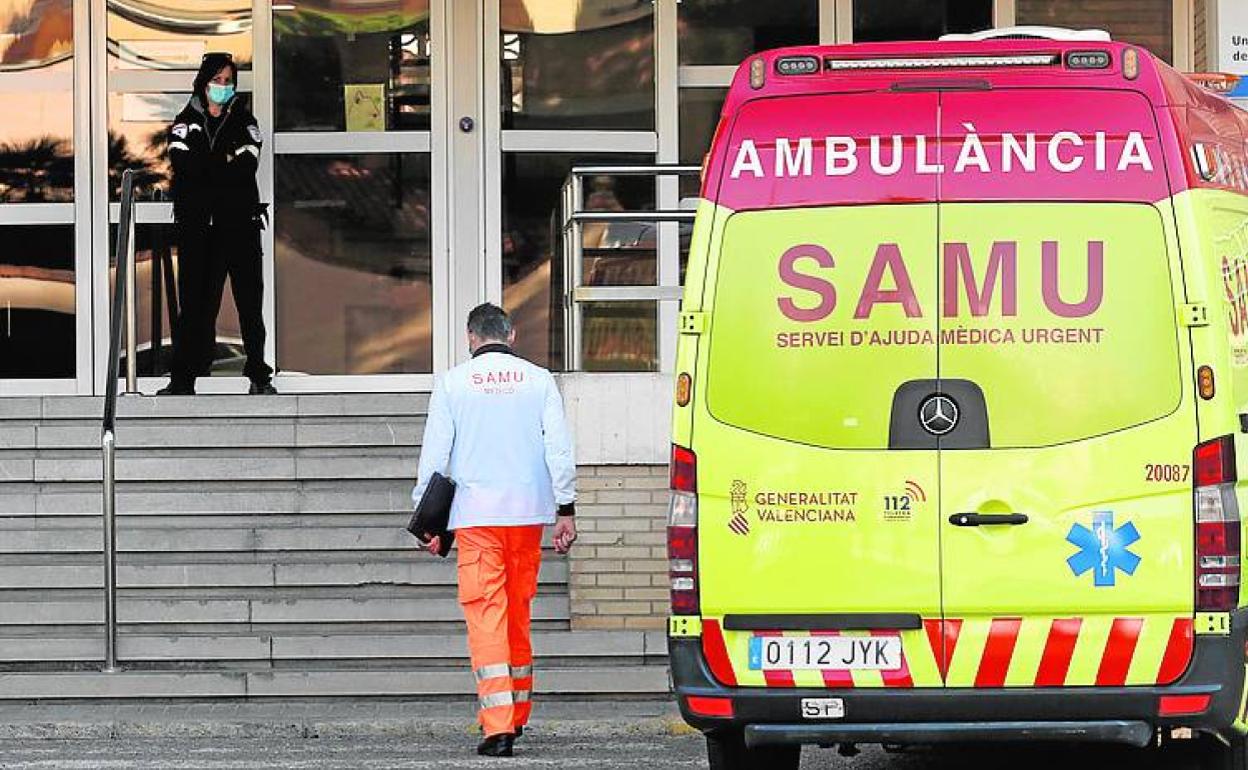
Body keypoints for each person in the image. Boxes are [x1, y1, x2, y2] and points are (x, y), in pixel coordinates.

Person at [412, 303, 578, 758]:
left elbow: (435, 458)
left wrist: (428, 522)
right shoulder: (540, 380)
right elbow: (559, 450)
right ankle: (518, 715)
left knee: (487, 615)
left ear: (470, 337)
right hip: (527, 514)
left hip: (476, 517)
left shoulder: (452, 383)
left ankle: (498, 726)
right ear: (512, 335)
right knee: (518, 613)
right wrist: (566, 509)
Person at [158, 51, 276, 396]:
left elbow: (245, 167)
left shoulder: (244, 122)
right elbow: (183, 164)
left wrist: (209, 166)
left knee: (249, 304)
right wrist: (221, 161)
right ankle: (184, 379)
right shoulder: (185, 121)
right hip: (197, 229)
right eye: (217, 81)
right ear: (203, 82)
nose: (222, 87)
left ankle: (258, 375)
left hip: (239, 226)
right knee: (194, 305)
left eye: (228, 82)